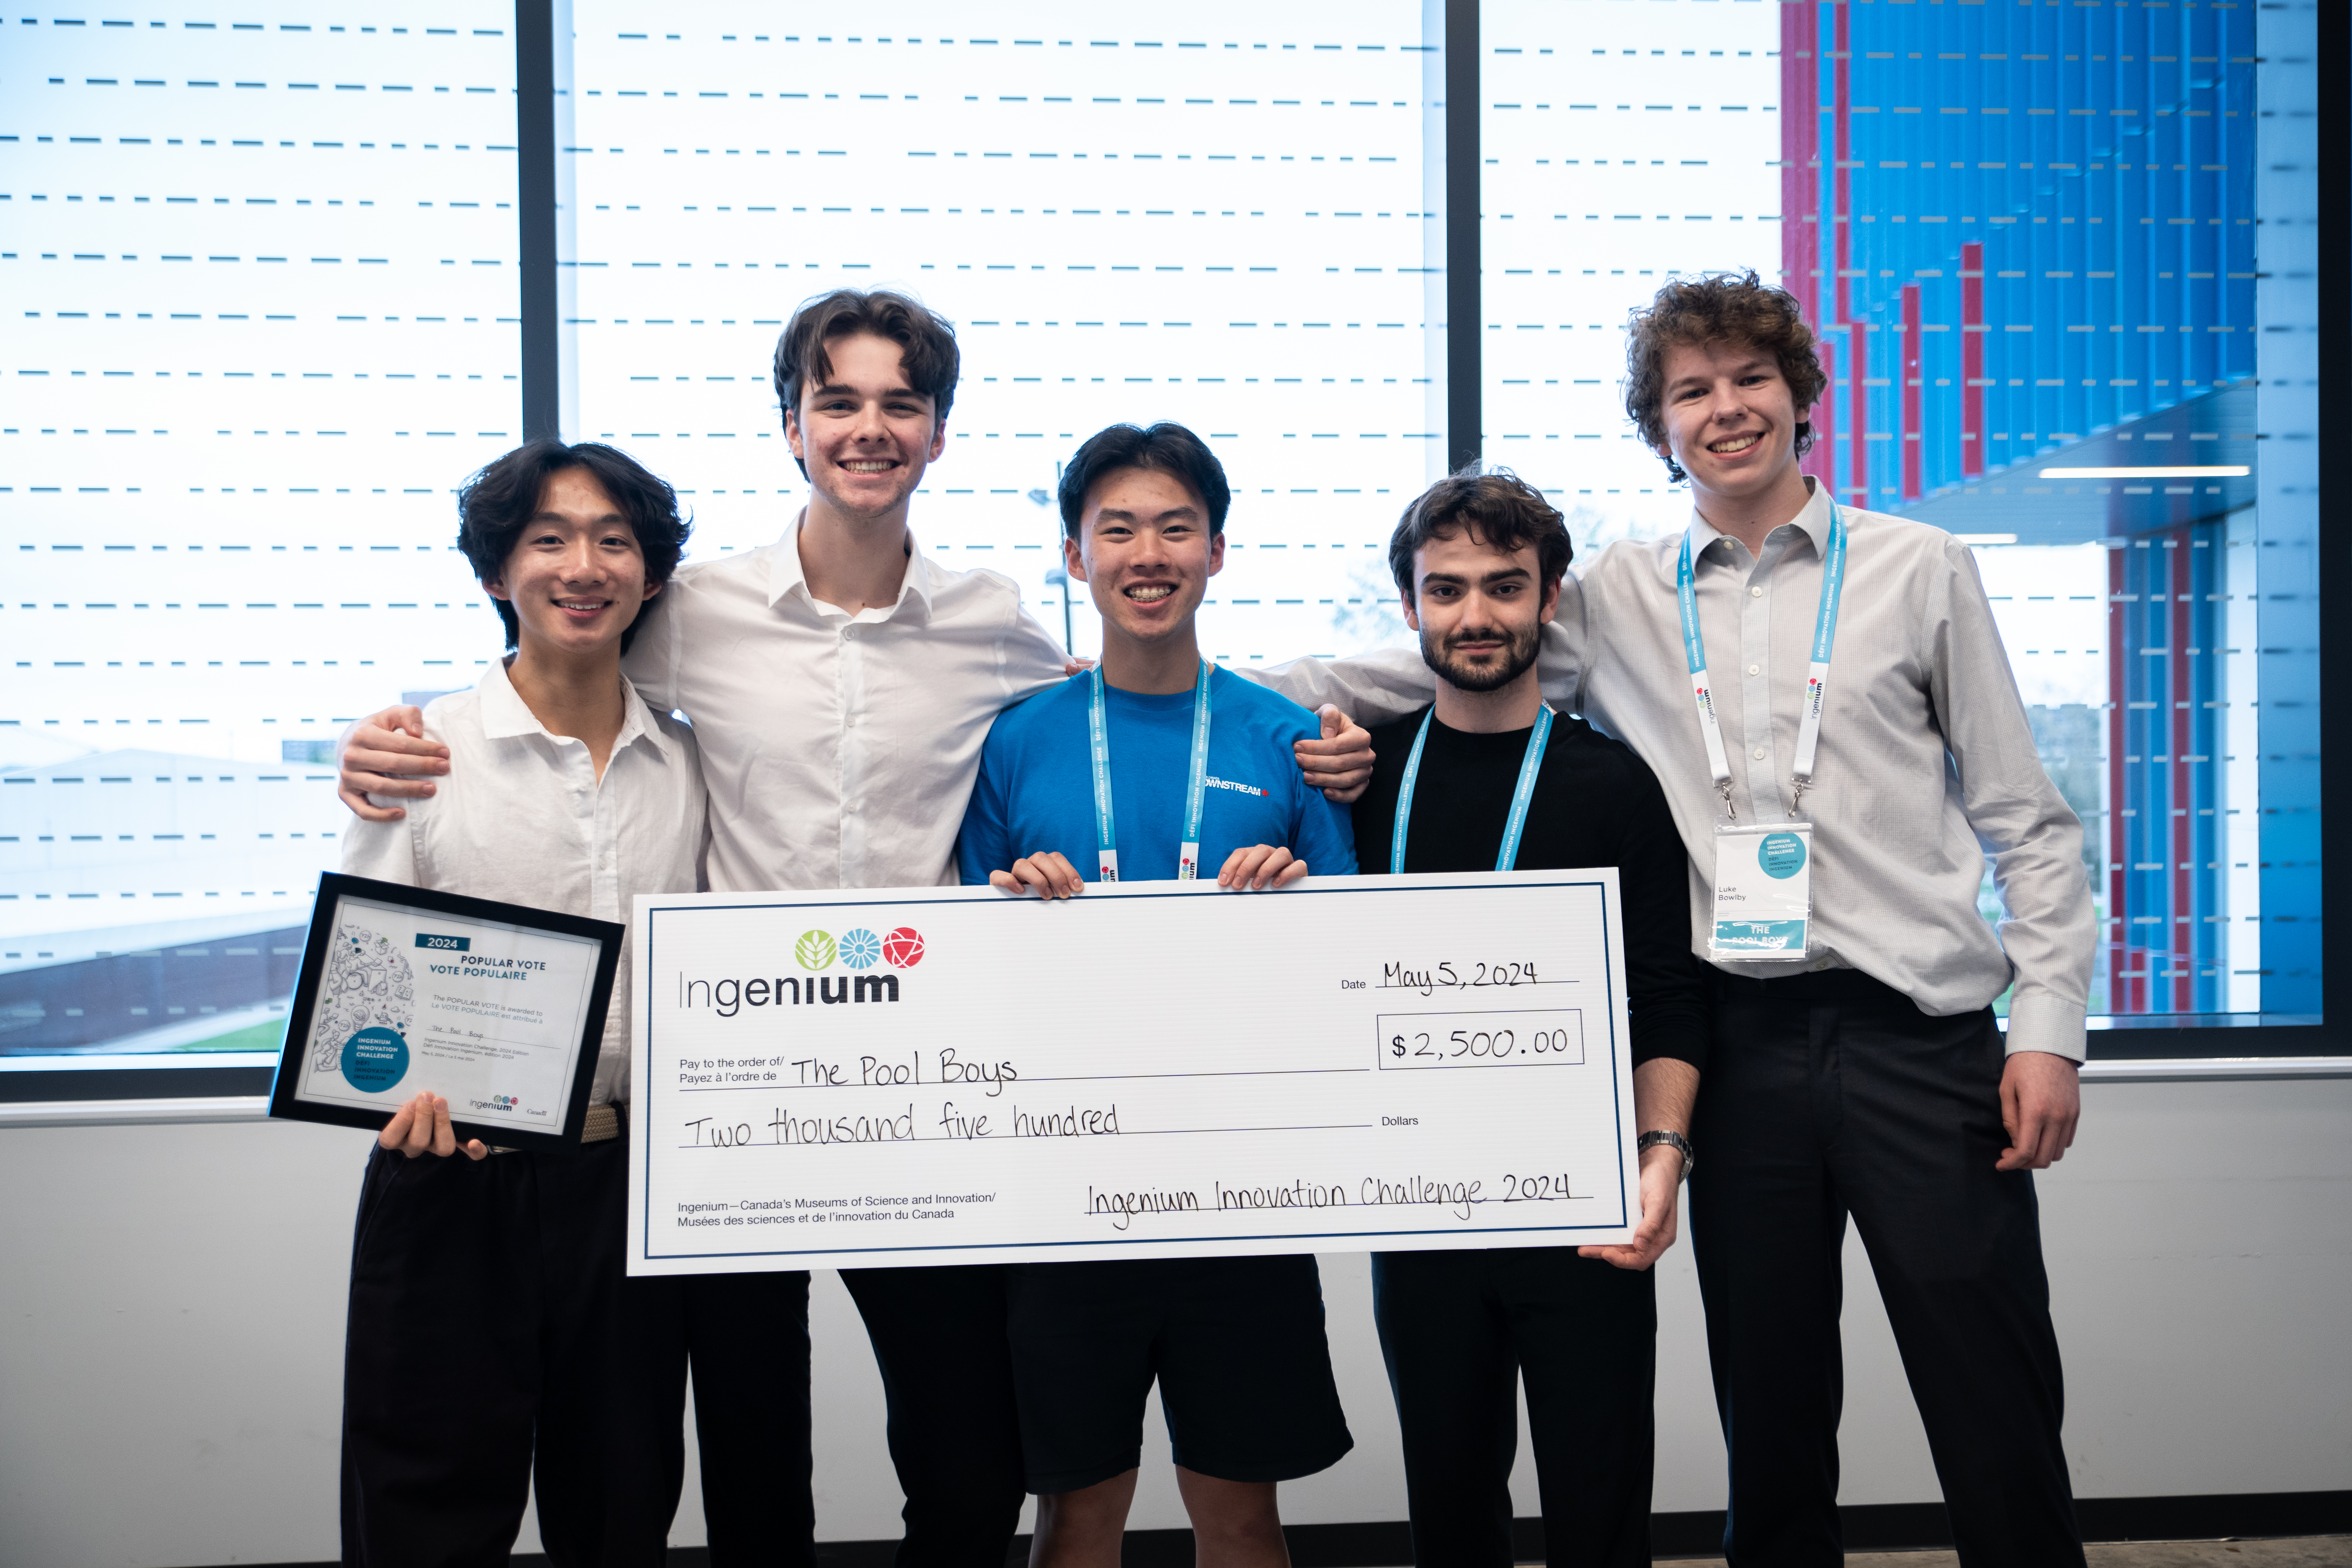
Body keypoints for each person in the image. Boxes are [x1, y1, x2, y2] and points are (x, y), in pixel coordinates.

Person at [331, 290, 1379, 1568]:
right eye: (839, 401)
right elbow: (556, 649)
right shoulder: (690, 613)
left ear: (938, 434)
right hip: (732, 1094)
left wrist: (1322, 740)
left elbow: (1137, 679)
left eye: (901, 404)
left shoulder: (994, 623)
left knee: (966, 1450)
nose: (869, 428)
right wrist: (391, 734)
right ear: (792, 427)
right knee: (750, 1450)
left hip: (924, 1089)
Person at [1270, 271, 2094, 1567]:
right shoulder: (1613, 594)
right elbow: (1415, 663)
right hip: (1739, 1048)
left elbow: (2024, 818)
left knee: (1989, 1392)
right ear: (1659, 429)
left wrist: (2046, 1029)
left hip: (1921, 1042)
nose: (1725, 410)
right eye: (1690, 391)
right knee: (1769, 1413)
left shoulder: (1921, 569)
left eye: (1748, 380)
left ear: (1800, 395)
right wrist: (1186, 691)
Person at [338, 439, 804, 1568]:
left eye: (614, 541)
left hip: (626, 1181)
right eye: (548, 539)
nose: (582, 565)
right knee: (424, 1514)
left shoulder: (693, 764)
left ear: (651, 577)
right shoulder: (421, 752)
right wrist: (392, 1095)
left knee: (619, 1509)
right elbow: (366, 990)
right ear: (499, 574)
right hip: (457, 1180)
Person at [959, 421, 1358, 1568]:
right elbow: (971, 952)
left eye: (1177, 527)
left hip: (1243, 1186)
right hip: (1064, 1191)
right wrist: (1012, 901)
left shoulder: (1287, 737)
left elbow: (1344, 962)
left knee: (1238, 1511)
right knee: (1078, 1511)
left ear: (1218, 552)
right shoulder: (1020, 739)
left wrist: (1291, 899)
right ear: (1075, 558)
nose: (1149, 553)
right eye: (1117, 529)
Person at [1348, 469, 1709, 1568]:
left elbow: (1668, 993)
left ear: (1550, 598)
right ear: (1408, 606)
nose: (1475, 617)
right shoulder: (1365, 778)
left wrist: (1663, 1159)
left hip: (1583, 1202)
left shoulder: (1614, 784)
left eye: (1505, 587)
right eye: (1445, 590)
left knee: (1601, 1509)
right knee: (1451, 1508)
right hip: (1420, 1207)